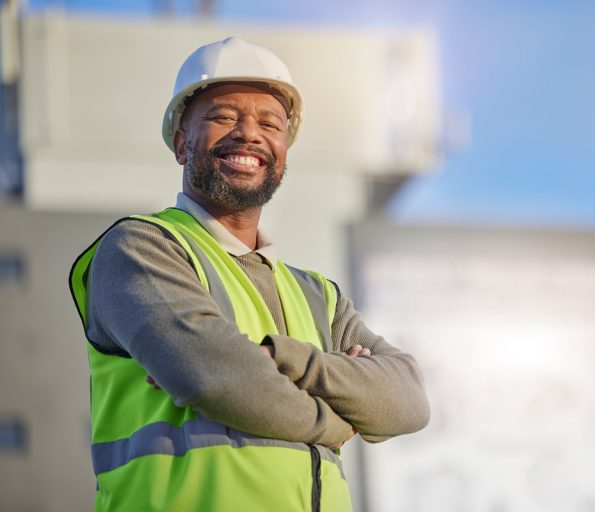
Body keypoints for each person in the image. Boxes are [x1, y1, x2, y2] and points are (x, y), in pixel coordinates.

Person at [69, 36, 429, 512]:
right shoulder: (141, 248)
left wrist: (278, 358)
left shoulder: (318, 295)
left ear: (283, 151)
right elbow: (211, 376)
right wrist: (338, 420)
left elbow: (407, 401)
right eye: (223, 116)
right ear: (181, 143)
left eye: (270, 122)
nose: (248, 134)